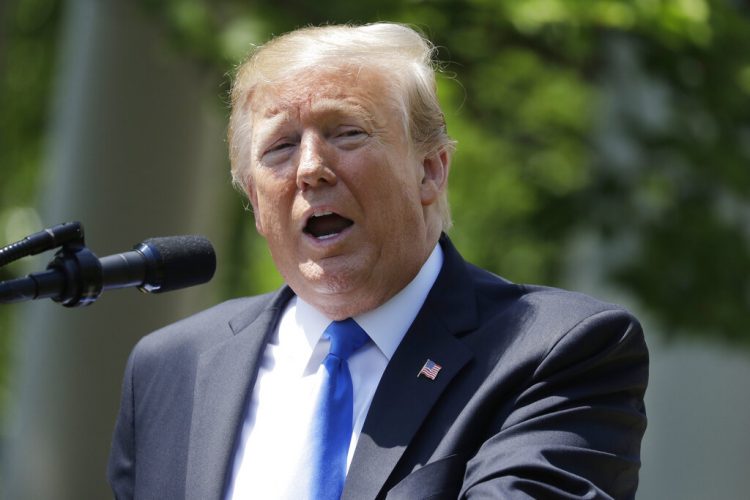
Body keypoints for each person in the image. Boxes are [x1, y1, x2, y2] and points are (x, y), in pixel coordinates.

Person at [107, 23, 648, 499]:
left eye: (348, 132)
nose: (311, 168)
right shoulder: (171, 368)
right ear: (254, 200)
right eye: (280, 147)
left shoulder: (559, 351)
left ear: (431, 172)